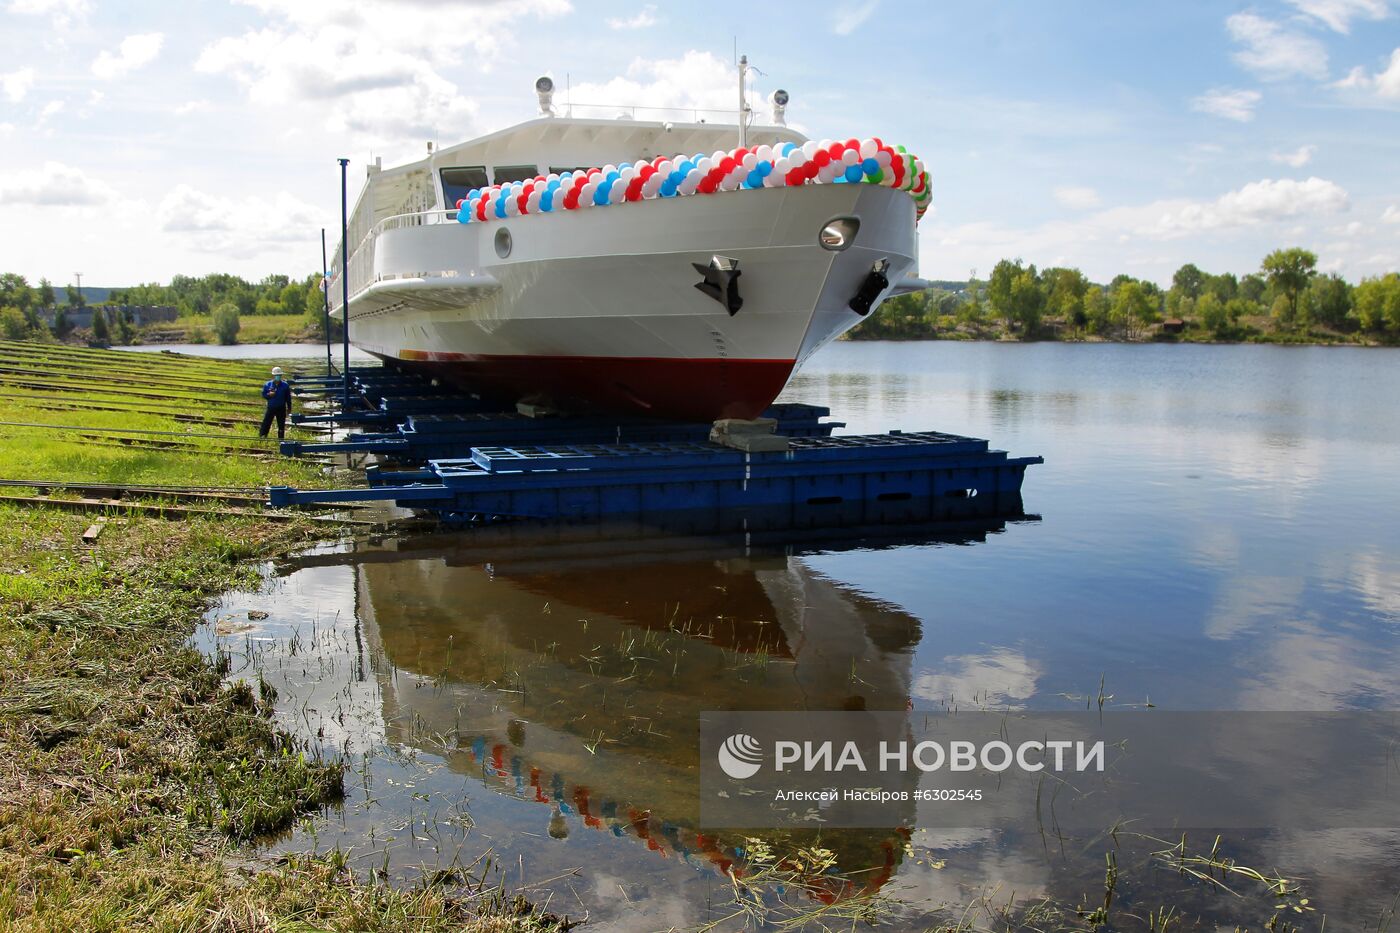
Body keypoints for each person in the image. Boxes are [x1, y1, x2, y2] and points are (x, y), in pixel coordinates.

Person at [259, 367, 294, 439]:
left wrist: (289, 408)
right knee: (266, 423)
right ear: (273, 376)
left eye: (279, 375)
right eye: (276, 375)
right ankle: (262, 437)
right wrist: (269, 395)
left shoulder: (285, 385)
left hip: (281, 408)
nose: (278, 377)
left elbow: (288, 398)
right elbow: (264, 395)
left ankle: (281, 440)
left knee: (281, 425)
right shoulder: (268, 384)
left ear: (281, 376)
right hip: (271, 408)